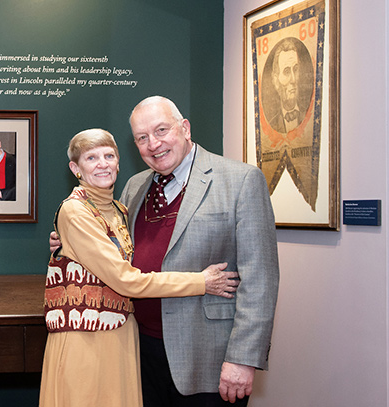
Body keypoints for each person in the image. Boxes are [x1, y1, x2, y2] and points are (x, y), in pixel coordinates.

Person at [51, 96, 279, 406]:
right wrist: (68, 239)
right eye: (142, 138)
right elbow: (113, 246)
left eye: (161, 130)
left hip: (208, 359)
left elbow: (261, 280)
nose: (153, 144)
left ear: (185, 128)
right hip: (139, 352)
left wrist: (243, 358)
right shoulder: (134, 187)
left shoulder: (240, 181)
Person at [264, 38, 309, 134]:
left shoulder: (308, 114)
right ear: (276, 80)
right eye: (286, 71)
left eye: (296, 69)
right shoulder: (273, 125)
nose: (293, 79)